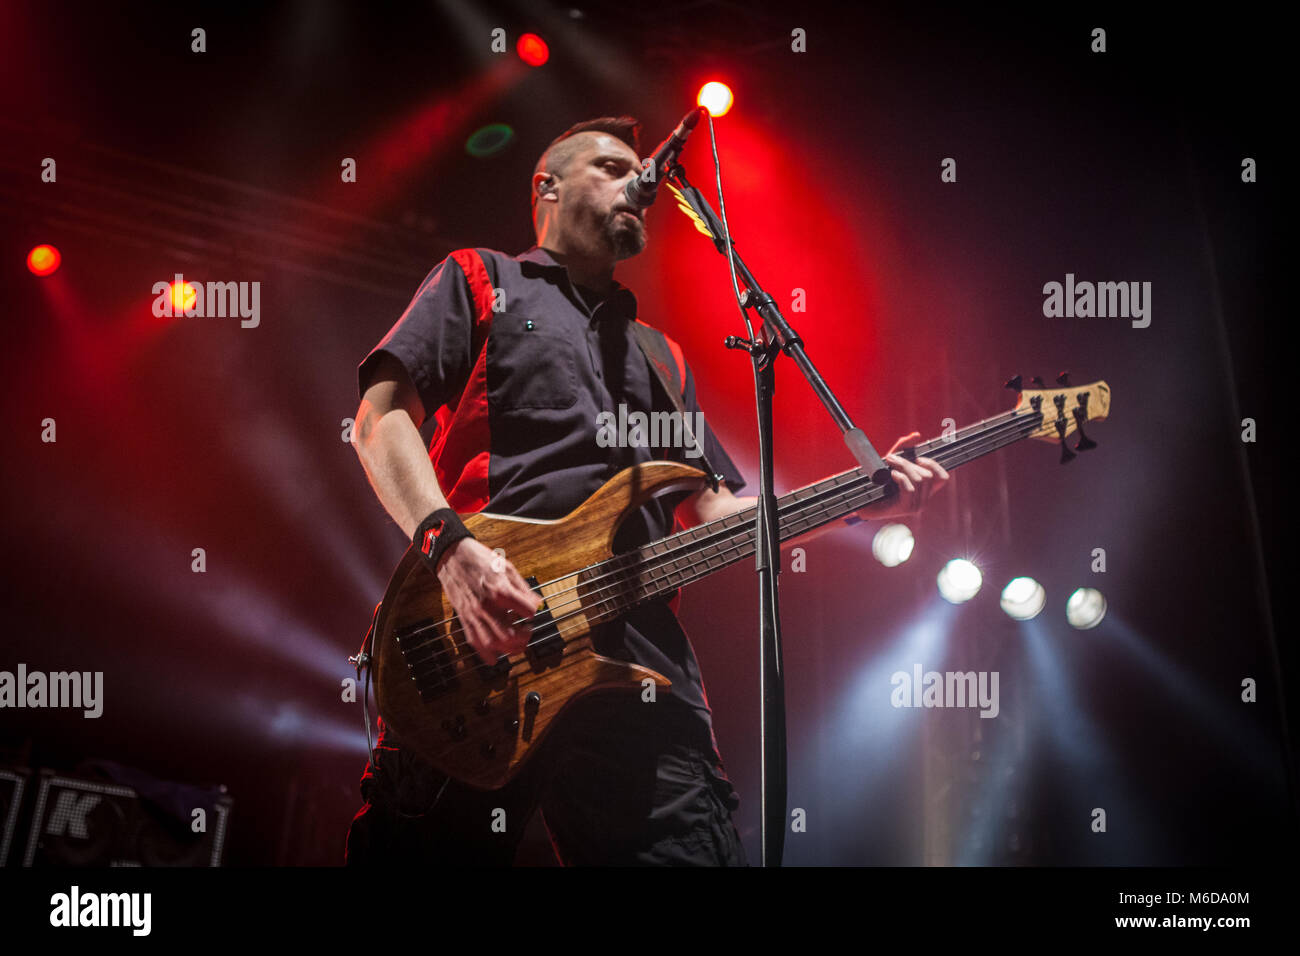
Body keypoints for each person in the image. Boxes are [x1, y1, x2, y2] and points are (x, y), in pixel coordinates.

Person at [344, 115, 949, 866]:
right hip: (479, 643)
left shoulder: (660, 356)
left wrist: (861, 498)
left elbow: (715, 515)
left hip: (639, 673)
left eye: (643, 172)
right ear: (548, 187)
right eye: (609, 166)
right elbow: (379, 421)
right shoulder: (480, 278)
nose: (641, 184)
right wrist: (452, 550)